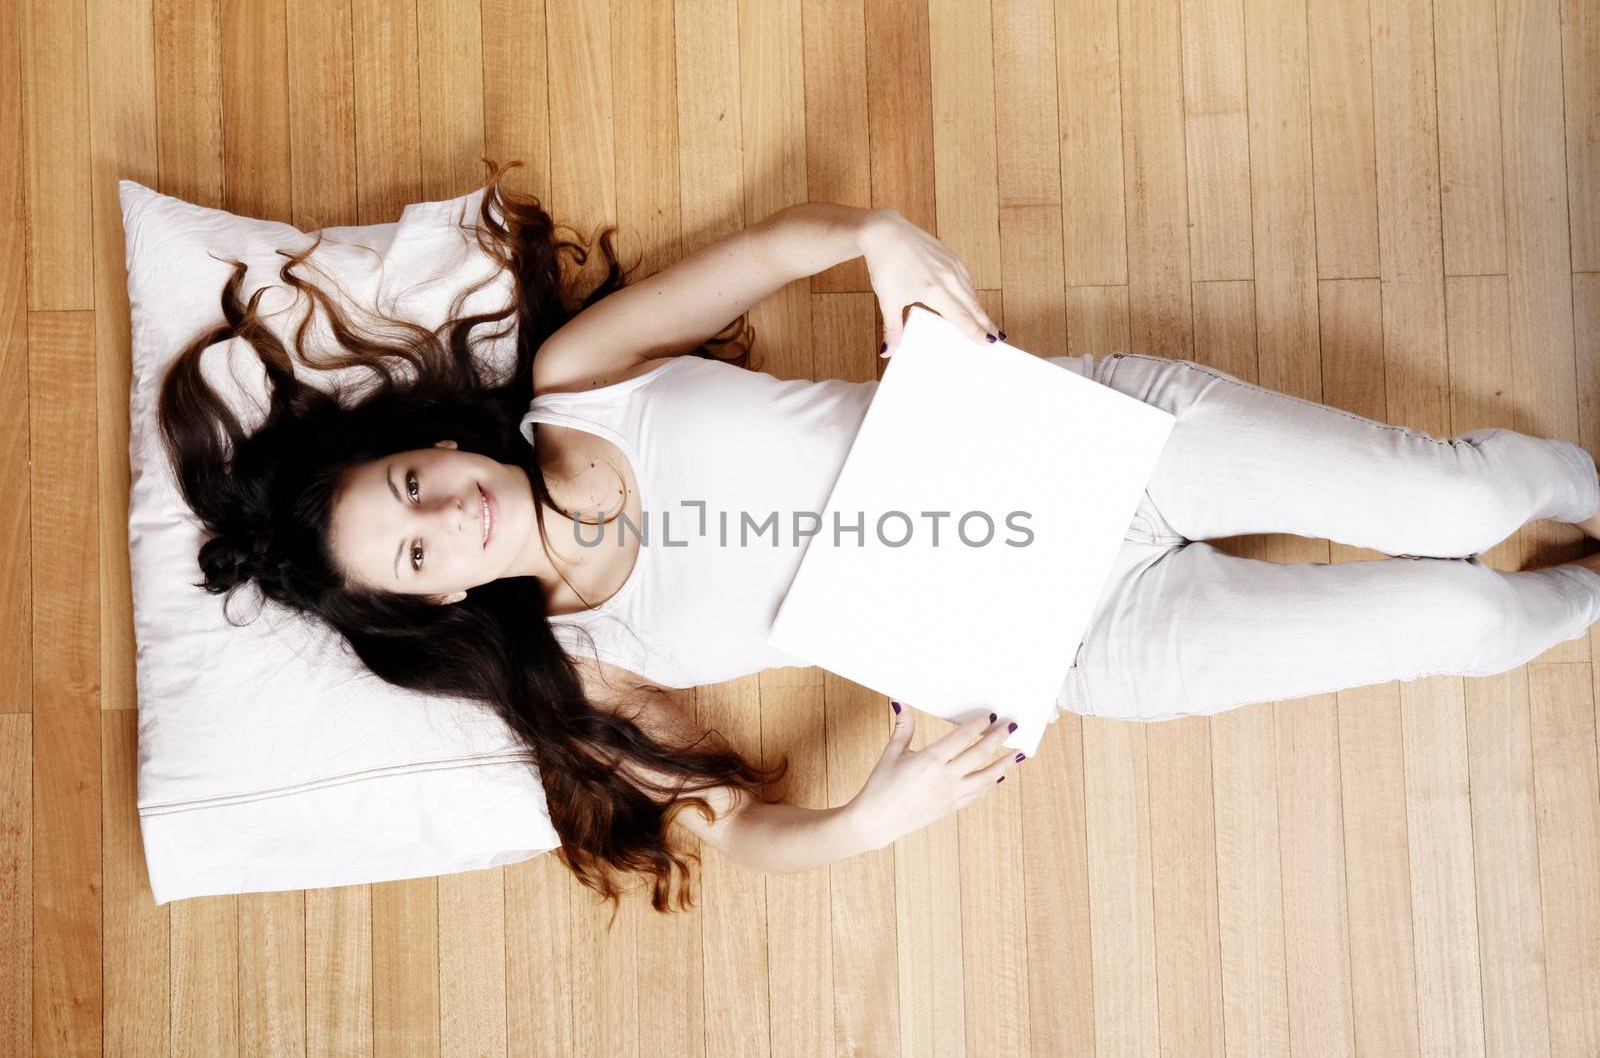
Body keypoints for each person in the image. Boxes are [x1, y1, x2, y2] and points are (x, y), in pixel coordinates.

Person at [157, 157, 1600, 922]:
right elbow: (732, 831)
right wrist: (872, 815)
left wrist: (882, 239)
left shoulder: (580, 379)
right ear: (438, 602)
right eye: (414, 552)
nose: (443, 515)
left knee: (1471, 504)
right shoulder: (586, 665)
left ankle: (1582, 486)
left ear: (431, 445)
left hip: (1093, 449)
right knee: (1476, 628)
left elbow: (789, 244)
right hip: (1072, 648)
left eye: (411, 485)